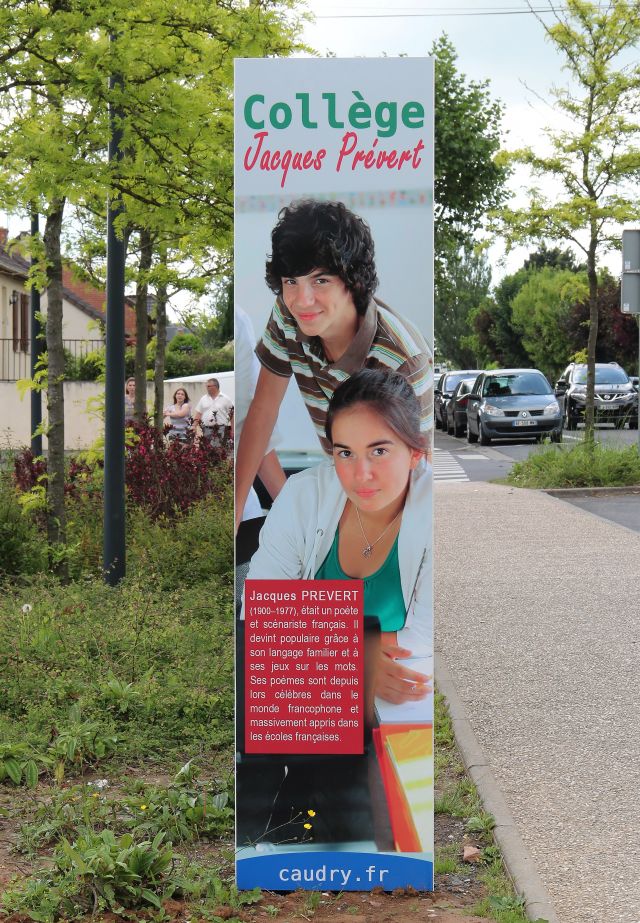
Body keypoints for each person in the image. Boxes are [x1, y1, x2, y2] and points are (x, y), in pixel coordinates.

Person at [235, 198, 433, 530]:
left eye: (320, 281)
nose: (302, 299)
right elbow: (263, 409)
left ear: (352, 280)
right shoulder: (288, 316)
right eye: (291, 282)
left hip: (392, 508)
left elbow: (417, 473)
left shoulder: (402, 361)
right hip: (339, 487)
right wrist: (236, 510)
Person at [245, 367, 432, 705]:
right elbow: (259, 616)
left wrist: (310, 643)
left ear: (415, 454)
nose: (361, 475)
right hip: (307, 704)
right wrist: (351, 662)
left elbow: (426, 635)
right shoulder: (302, 496)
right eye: (345, 453)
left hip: (404, 707)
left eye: (379, 451)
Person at [192, 378, 234, 446]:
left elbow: (232, 414)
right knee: (207, 450)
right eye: (206, 386)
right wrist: (194, 426)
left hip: (220, 429)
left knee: (216, 449)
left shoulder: (225, 399)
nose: (206, 388)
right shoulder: (203, 399)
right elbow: (199, 413)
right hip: (206, 429)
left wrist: (233, 430)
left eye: (208, 386)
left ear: (215, 386)